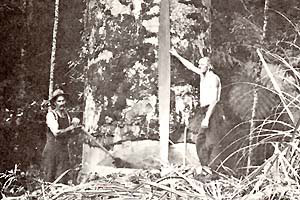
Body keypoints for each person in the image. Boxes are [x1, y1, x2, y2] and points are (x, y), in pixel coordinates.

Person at [170, 48, 223, 167]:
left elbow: (215, 100)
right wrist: (177, 55)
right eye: (199, 64)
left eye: (202, 64)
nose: (200, 66)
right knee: (200, 140)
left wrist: (207, 118)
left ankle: (213, 169)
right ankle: (205, 166)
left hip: (213, 111)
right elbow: (190, 66)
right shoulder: (202, 75)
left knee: (212, 141)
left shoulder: (213, 78)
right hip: (204, 110)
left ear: (209, 66)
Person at [42, 89, 80, 184]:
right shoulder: (51, 115)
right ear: (55, 103)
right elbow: (56, 133)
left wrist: (76, 127)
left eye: (63, 101)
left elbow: (70, 133)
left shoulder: (67, 116)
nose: (62, 103)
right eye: (59, 101)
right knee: (49, 177)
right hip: (52, 151)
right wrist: (71, 127)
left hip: (63, 151)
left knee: (62, 178)